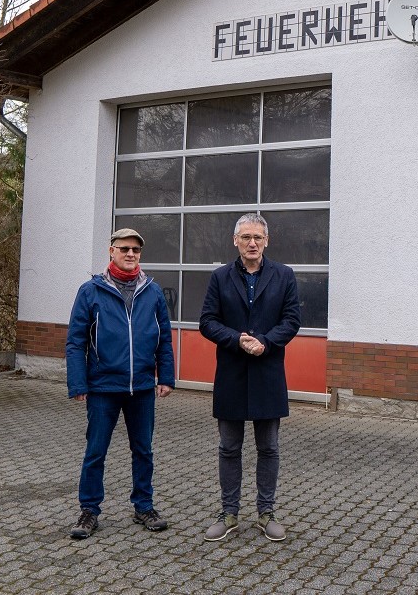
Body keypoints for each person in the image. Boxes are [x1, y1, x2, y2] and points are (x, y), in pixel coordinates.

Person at [65, 228, 175, 540]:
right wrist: (78, 383)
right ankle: (89, 510)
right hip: (102, 387)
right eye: (124, 248)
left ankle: (144, 505)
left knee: (143, 449)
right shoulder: (90, 291)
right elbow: (75, 342)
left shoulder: (152, 292)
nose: (130, 254)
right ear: (111, 251)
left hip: (141, 387)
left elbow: (164, 339)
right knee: (96, 451)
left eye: (136, 250)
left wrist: (165, 377)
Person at [199, 212, 300, 542]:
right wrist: (236, 339)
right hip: (231, 373)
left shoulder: (284, 276)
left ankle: (266, 513)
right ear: (235, 241)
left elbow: (291, 320)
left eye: (258, 237)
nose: (252, 243)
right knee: (229, 448)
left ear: (266, 241)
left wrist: (266, 343)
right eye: (246, 237)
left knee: (268, 448)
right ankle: (229, 513)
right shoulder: (220, 277)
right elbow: (208, 321)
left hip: (268, 373)